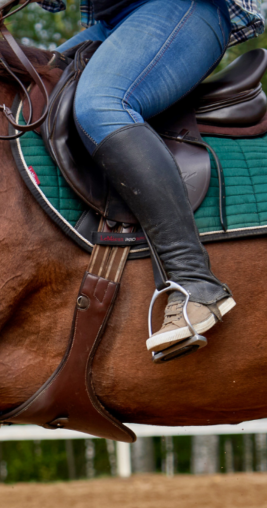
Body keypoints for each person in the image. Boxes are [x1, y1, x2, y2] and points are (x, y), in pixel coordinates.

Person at [39, 0, 264, 356]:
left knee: (101, 104)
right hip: (111, 20)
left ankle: (195, 283)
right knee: (31, 90)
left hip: (180, 7)